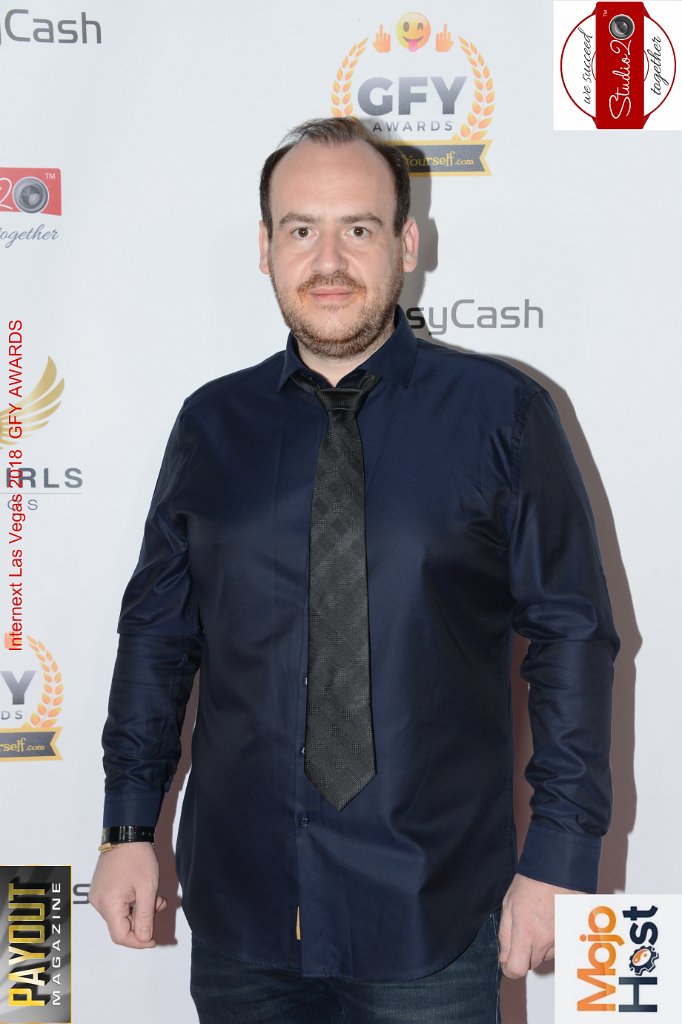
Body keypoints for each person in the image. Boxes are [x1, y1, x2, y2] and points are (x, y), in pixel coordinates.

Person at [90, 117, 619, 1023]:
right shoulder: (211, 426)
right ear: (266, 248)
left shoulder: (503, 416)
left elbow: (571, 640)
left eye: (358, 228)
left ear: (406, 245)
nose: (328, 260)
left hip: (431, 913)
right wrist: (129, 826)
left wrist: (559, 858)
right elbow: (158, 638)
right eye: (302, 229)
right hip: (244, 915)